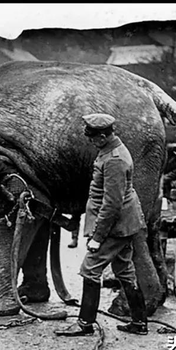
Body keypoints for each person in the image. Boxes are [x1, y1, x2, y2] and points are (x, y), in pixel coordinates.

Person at [55, 113, 148, 337]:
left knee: (90, 269)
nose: (91, 142)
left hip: (115, 225)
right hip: (124, 223)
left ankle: (85, 323)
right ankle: (139, 322)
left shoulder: (114, 159)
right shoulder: (111, 151)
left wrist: (97, 237)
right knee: (125, 271)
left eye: (94, 138)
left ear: (104, 136)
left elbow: (112, 204)